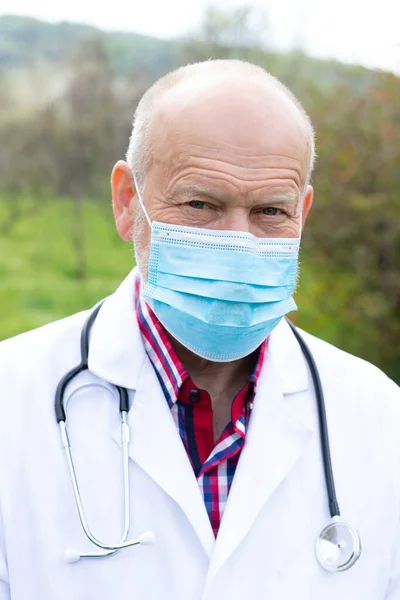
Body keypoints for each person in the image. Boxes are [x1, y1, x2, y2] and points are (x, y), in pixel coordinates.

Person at [0, 59, 399, 600]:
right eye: (200, 204)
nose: (239, 241)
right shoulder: (12, 400)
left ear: (302, 213)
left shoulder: (378, 416)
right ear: (126, 202)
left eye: (269, 211)